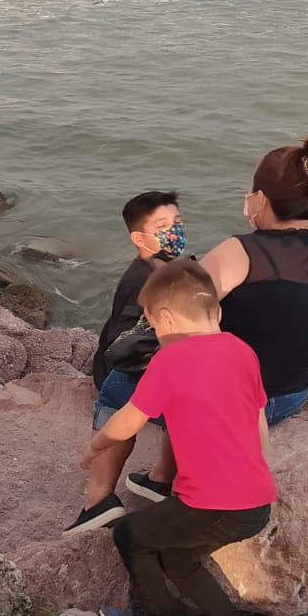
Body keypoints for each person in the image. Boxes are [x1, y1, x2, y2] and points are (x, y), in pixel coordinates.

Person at [125, 137, 308, 504]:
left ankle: (160, 477)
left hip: (229, 404)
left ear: (260, 199)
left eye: (251, 191)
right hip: (291, 396)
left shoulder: (242, 251)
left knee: (121, 378)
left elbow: (177, 315)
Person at [83, 260, 280, 616]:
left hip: (209, 503)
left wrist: (97, 444)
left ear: (166, 319)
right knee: (177, 559)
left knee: (130, 535)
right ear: (218, 313)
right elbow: (259, 419)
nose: (154, 333)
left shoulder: (170, 360)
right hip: (256, 501)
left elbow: (129, 419)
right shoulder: (243, 352)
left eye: (153, 324)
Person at [67, 190, 185, 534]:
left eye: (177, 222)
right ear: (139, 237)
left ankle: (158, 480)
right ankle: (98, 499)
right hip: (123, 368)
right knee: (118, 406)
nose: (173, 231)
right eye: (162, 225)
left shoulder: (169, 268)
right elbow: (125, 343)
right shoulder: (141, 280)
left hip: (152, 363)